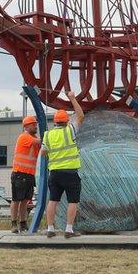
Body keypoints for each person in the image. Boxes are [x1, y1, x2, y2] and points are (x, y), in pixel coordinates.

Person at [40, 90, 84, 238]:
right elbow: (80, 116)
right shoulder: (70, 130)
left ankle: (51, 228)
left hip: (55, 173)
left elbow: (43, 153)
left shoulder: (48, 134)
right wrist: (72, 98)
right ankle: (69, 229)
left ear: (55, 122)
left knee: (53, 200)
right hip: (70, 172)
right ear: (66, 121)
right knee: (73, 201)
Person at [10, 115, 40, 233]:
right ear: (26, 126)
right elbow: (39, 142)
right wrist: (50, 136)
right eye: (33, 124)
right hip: (19, 174)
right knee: (16, 200)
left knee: (25, 201)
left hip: (29, 175)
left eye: (36, 124)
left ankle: (23, 223)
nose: (35, 126)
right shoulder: (24, 137)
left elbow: (41, 150)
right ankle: (13, 223)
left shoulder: (33, 138)